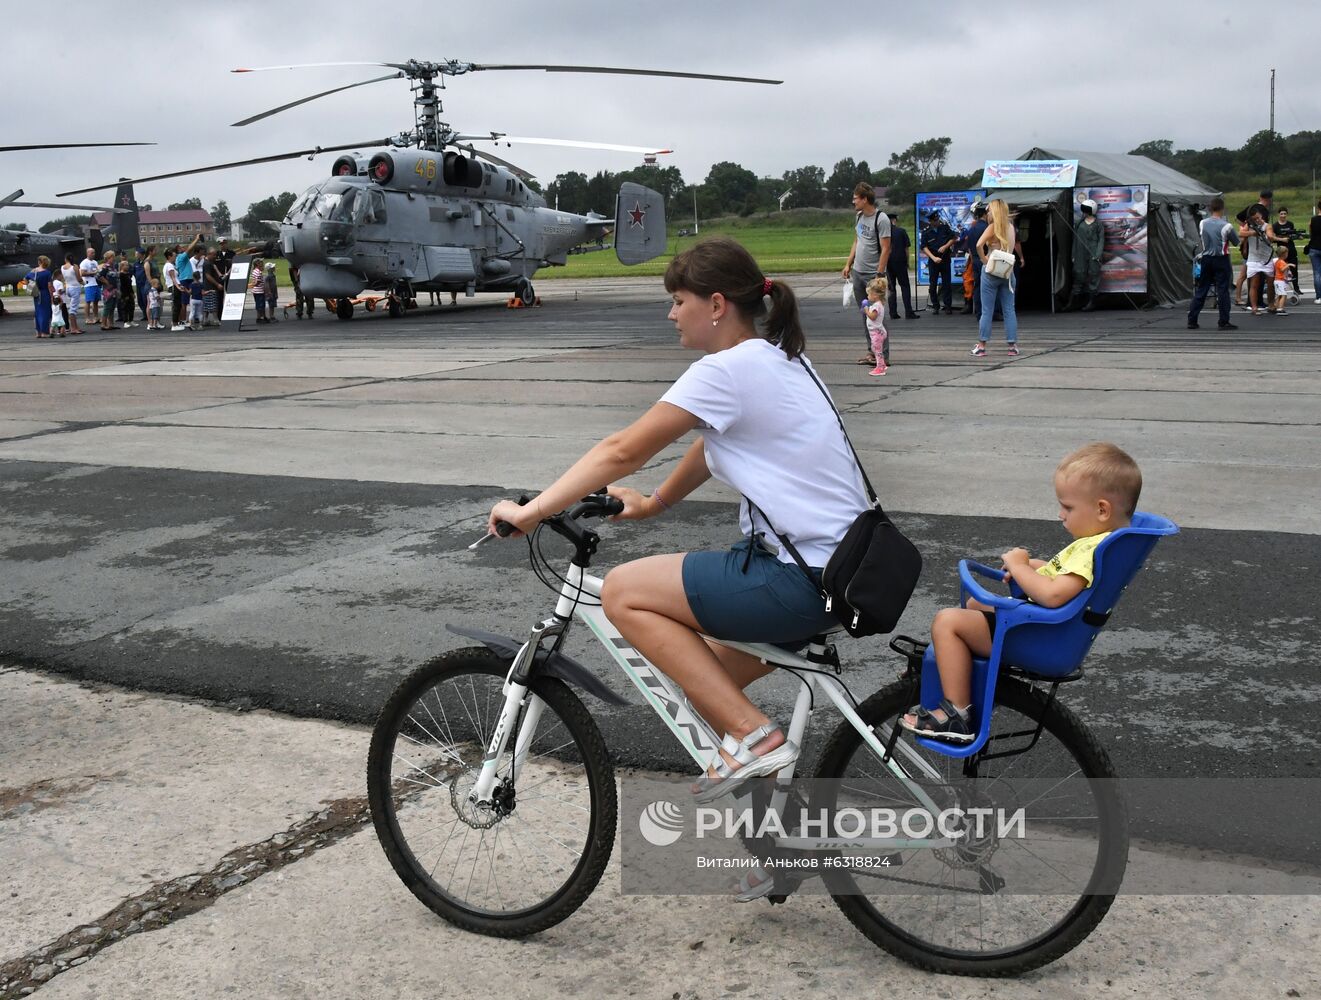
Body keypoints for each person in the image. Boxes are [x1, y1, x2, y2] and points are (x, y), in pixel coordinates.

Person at [486, 236, 868, 808]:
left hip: (799, 577)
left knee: (624, 592)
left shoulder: (726, 370)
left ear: (716, 306)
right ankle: (776, 850)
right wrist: (654, 503)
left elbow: (621, 450)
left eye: (677, 300)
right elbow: (714, 441)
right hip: (846, 570)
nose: (670, 313)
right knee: (704, 682)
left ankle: (757, 736)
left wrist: (531, 510)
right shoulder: (781, 357)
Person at [901, 442, 1142, 741]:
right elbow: (1064, 579)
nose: (1060, 514)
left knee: (947, 622)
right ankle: (959, 676)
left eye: (1068, 507)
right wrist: (1031, 568)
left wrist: (1020, 568)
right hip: (1049, 629)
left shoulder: (1090, 548)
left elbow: (1053, 595)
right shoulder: (1103, 541)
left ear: (1102, 509)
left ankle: (956, 713)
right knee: (976, 605)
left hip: (1044, 638)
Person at [842, 182, 891, 365]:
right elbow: (857, 241)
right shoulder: (859, 217)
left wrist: (879, 274)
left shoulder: (882, 219)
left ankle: (883, 356)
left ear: (864, 199)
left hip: (873, 274)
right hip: (858, 272)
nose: (853, 201)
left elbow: (886, 248)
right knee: (866, 315)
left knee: (878, 316)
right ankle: (872, 351)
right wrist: (848, 263)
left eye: (855, 198)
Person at [971, 199, 1023, 357]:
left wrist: (984, 260)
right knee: (1009, 309)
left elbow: (979, 244)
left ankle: (981, 346)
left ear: (992, 212)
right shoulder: (1011, 227)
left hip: (991, 270)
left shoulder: (992, 227)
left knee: (987, 310)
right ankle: (1012, 346)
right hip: (1007, 270)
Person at [1186, 196, 1239, 331]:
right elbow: (1236, 241)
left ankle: (1192, 319)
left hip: (1206, 258)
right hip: (1221, 259)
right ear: (1222, 208)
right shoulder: (1226, 226)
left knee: (1202, 288)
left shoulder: (1203, 223)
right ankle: (1223, 321)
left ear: (1210, 208)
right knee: (1223, 290)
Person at [1235, 190, 1274, 308]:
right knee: (1250, 275)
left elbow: (1238, 218)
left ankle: (1241, 298)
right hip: (1255, 249)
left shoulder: (1252, 208)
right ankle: (1252, 301)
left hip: (1252, 246)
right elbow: (1242, 225)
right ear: (1268, 199)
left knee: (1246, 274)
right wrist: (1249, 233)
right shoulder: (1261, 211)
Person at [1066, 199, 1104, 312]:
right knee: (1079, 274)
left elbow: (1101, 240)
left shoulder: (1098, 224)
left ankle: (1091, 303)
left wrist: (1098, 254)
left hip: (1093, 252)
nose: (1085, 212)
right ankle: (1072, 303)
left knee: (1094, 275)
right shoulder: (1079, 223)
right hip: (1080, 252)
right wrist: (1073, 254)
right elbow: (1075, 240)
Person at [920, 210, 957, 315]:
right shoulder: (926, 232)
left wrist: (945, 246)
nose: (937, 222)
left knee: (947, 284)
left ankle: (948, 306)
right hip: (933, 261)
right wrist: (933, 258)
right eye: (935, 221)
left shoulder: (944, 228)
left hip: (945, 259)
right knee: (933, 285)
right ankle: (935, 306)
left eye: (937, 220)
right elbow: (924, 247)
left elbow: (953, 238)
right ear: (930, 221)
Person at [884, 213, 919, 321]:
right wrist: (907, 262)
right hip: (900, 262)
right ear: (894, 220)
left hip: (888, 263)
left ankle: (893, 312)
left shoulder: (883, 233)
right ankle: (908, 311)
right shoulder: (901, 231)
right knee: (905, 286)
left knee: (891, 288)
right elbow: (906, 249)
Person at [958, 202, 988, 316]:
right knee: (988, 287)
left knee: (977, 286)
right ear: (985, 214)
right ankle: (990, 312)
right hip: (984, 259)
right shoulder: (987, 228)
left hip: (974, 259)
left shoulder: (971, 229)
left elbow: (970, 247)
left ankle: (978, 311)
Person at [860, 275, 889, 376]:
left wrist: (866, 310)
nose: (867, 296)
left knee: (877, 350)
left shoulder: (876, 306)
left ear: (875, 295)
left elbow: (873, 316)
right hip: (877, 331)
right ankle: (882, 364)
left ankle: (880, 368)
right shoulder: (878, 303)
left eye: (869, 294)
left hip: (877, 332)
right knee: (875, 348)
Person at [25, 255, 54, 339]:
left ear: (39, 262)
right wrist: (52, 296)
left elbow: (25, 278)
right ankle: (45, 332)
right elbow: (49, 286)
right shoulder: (47, 273)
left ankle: (38, 332)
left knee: (38, 313)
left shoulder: (34, 271)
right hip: (45, 293)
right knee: (46, 313)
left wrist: (30, 286)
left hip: (37, 293)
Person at [1273, 208, 1301, 295]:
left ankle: (1296, 288)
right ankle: (1281, 288)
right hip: (1281, 251)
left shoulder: (1290, 224)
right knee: (1281, 270)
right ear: (1278, 214)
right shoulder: (1275, 226)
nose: (1283, 215)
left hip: (1291, 249)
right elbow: (1273, 238)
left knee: (1294, 270)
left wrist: (1298, 236)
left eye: (1285, 214)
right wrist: (1282, 239)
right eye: (1281, 214)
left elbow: (1293, 235)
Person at [163, 246, 186, 330]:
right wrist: (177, 286)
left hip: (175, 286)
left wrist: (179, 285)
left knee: (178, 305)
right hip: (173, 286)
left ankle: (176, 322)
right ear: (169, 256)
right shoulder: (169, 265)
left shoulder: (170, 265)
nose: (175, 258)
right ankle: (174, 324)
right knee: (176, 305)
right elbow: (173, 278)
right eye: (174, 256)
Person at [61, 253, 83, 335]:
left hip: (68, 288)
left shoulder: (62, 267)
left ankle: (76, 327)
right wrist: (84, 283)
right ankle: (73, 328)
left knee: (71, 307)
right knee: (73, 309)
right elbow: (79, 278)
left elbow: (64, 278)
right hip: (75, 288)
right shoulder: (75, 267)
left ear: (65, 259)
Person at [79, 246, 101, 327]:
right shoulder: (84, 262)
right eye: (92, 253)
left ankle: (96, 317)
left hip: (96, 283)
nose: (93, 254)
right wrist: (93, 273)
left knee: (96, 301)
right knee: (88, 301)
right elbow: (82, 273)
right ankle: (87, 318)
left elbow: (97, 271)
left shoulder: (95, 262)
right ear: (88, 253)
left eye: (94, 252)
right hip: (89, 284)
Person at [98, 251, 119, 331]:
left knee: (112, 306)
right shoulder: (106, 266)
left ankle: (111, 323)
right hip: (108, 290)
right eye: (112, 257)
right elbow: (99, 275)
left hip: (114, 289)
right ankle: (103, 324)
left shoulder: (113, 267)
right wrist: (106, 282)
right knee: (107, 306)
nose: (114, 259)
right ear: (108, 258)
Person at [1271, 245, 1294, 315]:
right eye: (1287, 253)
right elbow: (1282, 269)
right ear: (1284, 254)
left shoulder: (1279, 261)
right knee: (1283, 295)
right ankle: (1280, 309)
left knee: (1279, 295)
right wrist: (1289, 265)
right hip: (1279, 281)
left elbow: (1284, 271)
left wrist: (1289, 274)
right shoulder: (1281, 262)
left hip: (1279, 281)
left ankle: (1275, 307)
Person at [1308, 199, 1321, 306]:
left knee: (1317, 273)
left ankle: (1319, 297)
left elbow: (1311, 233)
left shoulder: (1313, 220)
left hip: (1314, 247)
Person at [117, 259, 135, 327]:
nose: (127, 266)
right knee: (125, 307)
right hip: (124, 293)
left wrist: (132, 293)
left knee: (131, 306)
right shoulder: (121, 275)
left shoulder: (128, 274)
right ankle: (125, 321)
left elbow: (129, 285)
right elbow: (122, 286)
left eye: (128, 265)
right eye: (126, 265)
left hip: (130, 292)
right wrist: (125, 294)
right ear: (122, 266)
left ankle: (131, 320)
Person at [250, 259, 268, 323]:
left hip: (255, 291)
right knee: (261, 305)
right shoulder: (259, 272)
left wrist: (253, 285)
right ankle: (260, 318)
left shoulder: (254, 271)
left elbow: (254, 280)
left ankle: (262, 317)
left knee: (258, 304)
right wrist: (253, 285)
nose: (263, 265)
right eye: (261, 264)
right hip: (259, 291)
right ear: (258, 265)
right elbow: (257, 282)